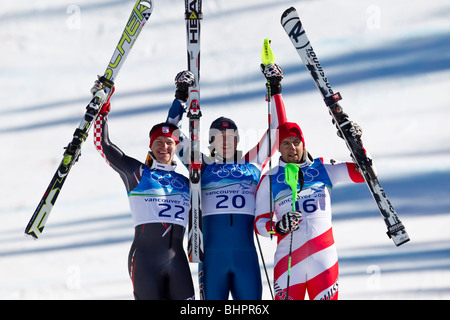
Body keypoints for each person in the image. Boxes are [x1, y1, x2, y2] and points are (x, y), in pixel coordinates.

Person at [166, 65, 287, 300]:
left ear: (238, 139)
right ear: (209, 142)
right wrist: (181, 96)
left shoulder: (252, 162)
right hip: (212, 259)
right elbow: (170, 134)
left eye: (230, 137)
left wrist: (275, 89)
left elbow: (278, 130)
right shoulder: (201, 166)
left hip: (246, 258)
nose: (224, 142)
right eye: (217, 138)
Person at [254, 81, 366, 300]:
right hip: (289, 261)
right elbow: (259, 224)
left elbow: (365, 174)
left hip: (323, 259)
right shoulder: (270, 178)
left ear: (303, 143)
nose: (292, 147)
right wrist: (278, 227)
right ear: (279, 148)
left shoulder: (323, 168)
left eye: (296, 142)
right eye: (285, 143)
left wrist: (357, 143)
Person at [91, 78, 195, 300]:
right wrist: (102, 107)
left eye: (169, 143)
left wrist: (181, 99)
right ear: (150, 146)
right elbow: (103, 145)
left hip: (177, 261)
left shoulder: (187, 182)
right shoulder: (137, 173)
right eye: (158, 142)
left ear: (176, 147)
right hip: (145, 260)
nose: (164, 147)